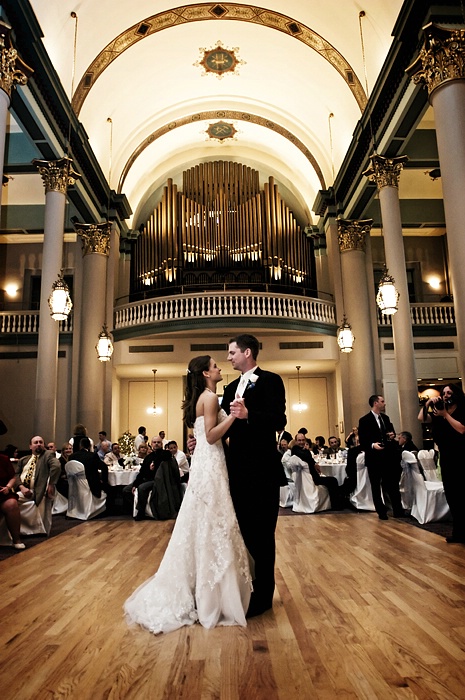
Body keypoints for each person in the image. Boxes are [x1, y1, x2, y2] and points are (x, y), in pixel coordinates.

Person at [124, 355, 252, 634]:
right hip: (210, 465)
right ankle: (212, 595)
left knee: (204, 519)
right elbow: (210, 436)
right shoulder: (209, 398)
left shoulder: (203, 398)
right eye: (216, 365)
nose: (219, 368)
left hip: (208, 463)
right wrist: (233, 415)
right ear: (206, 373)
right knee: (214, 518)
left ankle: (205, 586)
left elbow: (204, 437)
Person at [221, 333, 287, 618]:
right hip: (236, 470)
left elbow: (280, 419)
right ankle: (246, 588)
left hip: (262, 469)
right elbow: (224, 426)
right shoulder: (230, 387)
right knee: (244, 533)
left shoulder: (272, 380)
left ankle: (264, 596)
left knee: (263, 533)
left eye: (232, 352)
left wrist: (250, 415)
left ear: (247, 352)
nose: (228, 357)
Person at [418, 384, 465, 543]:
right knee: (452, 495)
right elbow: (421, 418)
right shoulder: (439, 412)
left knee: (463, 494)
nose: (445, 395)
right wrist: (428, 405)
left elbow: (461, 429)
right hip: (446, 457)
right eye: (443, 393)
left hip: (461, 456)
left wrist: (446, 415)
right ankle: (458, 532)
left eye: (449, 392)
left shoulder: (461, 410)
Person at [358, 395, 404, 520]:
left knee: (392, 483)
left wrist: (391, 435)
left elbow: (391, 433)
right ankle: (381, 511)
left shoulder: (385, 418)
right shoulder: (364, 420)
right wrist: (373, 445)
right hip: (374, 458)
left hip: (388, 456)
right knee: (375, 485)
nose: (385, 404)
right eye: (382, 401)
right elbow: (362, 440)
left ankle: (398, 509)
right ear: (375, 403)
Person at [15, 436, 61, 526]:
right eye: (36, 443)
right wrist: (22, 487)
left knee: (12, 500)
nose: (39, 444)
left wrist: (51, 484)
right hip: (23, 490)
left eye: (41, 442)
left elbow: (56, 467)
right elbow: (16, 475)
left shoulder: (47, 455)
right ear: (30, 446)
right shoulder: (23, 460)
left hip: (37, 491)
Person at [291, 432, 345, 510]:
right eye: (299, 440)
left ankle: (338, 501)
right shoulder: (295, 449)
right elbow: (306, 457)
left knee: (331, 480)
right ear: (296, 441)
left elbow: (310, 459)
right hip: (311, 478)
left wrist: (314, 463)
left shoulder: (303, 450)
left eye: (303, 440)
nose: (301, 442)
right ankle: (336, 505)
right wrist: (313, 462)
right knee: (333, 480)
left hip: (309, 476)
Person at [0, 452, 25, 549]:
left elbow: (13, 477)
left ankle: (16, 539)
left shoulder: (4, 459)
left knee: (12, 504)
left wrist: (8, 487)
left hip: (3, 493)